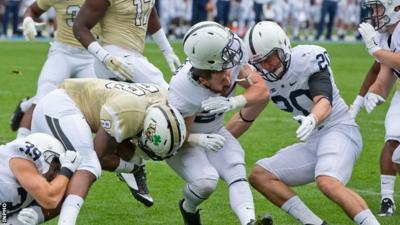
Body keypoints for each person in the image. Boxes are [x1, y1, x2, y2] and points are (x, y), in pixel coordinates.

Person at [244, 21, 381, 225]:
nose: (266, 66)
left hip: (339, 129)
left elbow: (324, 101)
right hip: (313, 140)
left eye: (270, 58)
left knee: (327, 182)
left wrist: (313, 118)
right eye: (260, 62)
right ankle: (315, 223)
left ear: (283, 47)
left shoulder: (306, 59)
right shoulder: (261, 76)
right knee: (260, 175)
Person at [30, 78, 186, 225]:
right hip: (61, 107)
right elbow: (100, 158)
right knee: (88, 164)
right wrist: (131, 167)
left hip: (66, 105)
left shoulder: (164, 101)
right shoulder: (128, 113)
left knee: (38, 182)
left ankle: (12, 218)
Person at [72, 0, 182, 207]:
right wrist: (104, 57)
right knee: (171, 102)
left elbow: (149, 12)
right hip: (114, 58)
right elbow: (79, 26)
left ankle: (131, 166)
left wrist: (167, 51)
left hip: (133, 57)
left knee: (127, 124)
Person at [166, 21, 271, 225]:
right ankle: (188, 209)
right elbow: (177, 136)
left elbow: (262, 89)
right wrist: (199, 139)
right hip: (184, 141)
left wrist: (235, 101)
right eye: (222, 72)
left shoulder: (225, 60)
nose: (229, 76)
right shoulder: (183, 91)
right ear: (204, 79)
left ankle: (249, 222)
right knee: (206, 182)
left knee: (235, 165)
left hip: (215, 129)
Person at [11, 0, 99, 140]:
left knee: (96, 105)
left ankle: (25, 105)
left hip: (91, 56)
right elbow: (33, 10)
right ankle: (20, 143)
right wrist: (28, 20)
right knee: (42, 98)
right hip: (62, 52)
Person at [352, 0, 400, 216]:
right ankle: (387, 199)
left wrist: (376, 51)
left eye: (377, 8)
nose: (374, 14)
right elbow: (384, 75)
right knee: (392, 142)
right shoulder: (385, 36)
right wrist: (374, 93)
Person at [1, 133, 81, 225]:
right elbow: (50, 198)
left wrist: (15, 221)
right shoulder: (21, 157)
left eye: (59, 171)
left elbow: (60, 198)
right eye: (55, 169)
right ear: (44, 155)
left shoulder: (32, 176)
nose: (55, 176)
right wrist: (67, 170)